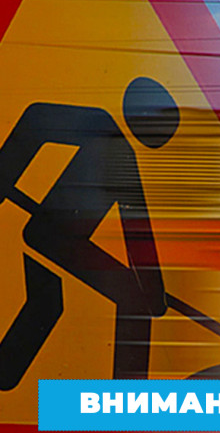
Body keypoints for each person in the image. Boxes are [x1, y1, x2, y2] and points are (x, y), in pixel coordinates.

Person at [0, 77, 179, 389]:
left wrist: (155, 295)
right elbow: (36, 120)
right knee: (132, 302)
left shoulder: (122, 154)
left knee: (51, 302)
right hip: (55, 235)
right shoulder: (101, 128)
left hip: (67, 241)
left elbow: (138, 237)